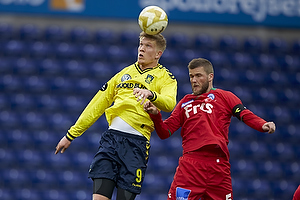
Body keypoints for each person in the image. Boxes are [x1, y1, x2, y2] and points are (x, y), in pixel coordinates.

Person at [55, 31, 177, 200]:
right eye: (141, 44)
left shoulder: (166, 77)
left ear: (158, 54)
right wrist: (71, 134)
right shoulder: (123, 74)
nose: (141, 49)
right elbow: (97, 105)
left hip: (136, 145)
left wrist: (151, 94)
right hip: (111, 141)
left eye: (148, 46)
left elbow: (170, 103)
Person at [143, 58, 276, 200]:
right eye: (191, 76)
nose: (194, 80)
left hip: (219, 168)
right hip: (191, 166)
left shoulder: (225, 97)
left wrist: (262, 124)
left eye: (198, 76)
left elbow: (244, 114)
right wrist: (156, 115)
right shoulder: (185, 102)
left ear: (210, 76)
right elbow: (165, 132)